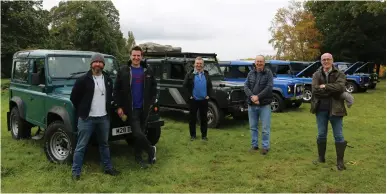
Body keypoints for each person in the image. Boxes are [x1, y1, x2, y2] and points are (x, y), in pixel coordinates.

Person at [70, 53, 120, 180]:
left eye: (100, 62)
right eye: (95, 62)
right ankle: (76, 172)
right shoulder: (82, 80)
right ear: (91, 64)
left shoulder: (108, 80)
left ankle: (108, 168)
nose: (98, 64)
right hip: (87, 119)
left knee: (104, 144)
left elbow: (110, 96)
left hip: (103, 118)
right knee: (81, 145)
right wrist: (83, 110)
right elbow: (74, 98)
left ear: (103, 64)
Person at [114, 46, 157, 169]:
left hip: (144, 108)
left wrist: (152, 101)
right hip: (131, 109)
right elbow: (116, 90)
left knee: (140, 134)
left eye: (138, 55)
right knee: (137, 133)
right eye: (134, 55)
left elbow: (154, 87)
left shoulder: (147, 70)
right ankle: (150, 150)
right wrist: (118, 106)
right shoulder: (123, 70)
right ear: (130, 56)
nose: (136, 58)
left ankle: (138, 158)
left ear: (141, 56)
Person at [311, 53, 348, 170]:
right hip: (320, 109)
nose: (326, 61)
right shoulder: (316, 74)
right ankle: (321, 158)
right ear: (321, 61)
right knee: (321, 134)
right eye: (323, 60)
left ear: (332, 60)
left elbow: (341, 88)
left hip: (336, 109)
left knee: (339, 135)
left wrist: (325, 87)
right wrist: (332, 89)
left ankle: (340, 162)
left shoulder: (340, 74)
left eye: (328, 59)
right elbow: (315, 90)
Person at [244, 55, 273, 155]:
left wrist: (258, 97)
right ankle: (254, 145)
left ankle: (265, 147)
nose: (259, 63)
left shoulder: (268, 73)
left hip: (264, 105)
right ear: (255, 62)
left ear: (264, 63)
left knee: (265, 128)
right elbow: (246, 86)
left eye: (261, 61)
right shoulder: (250, 73)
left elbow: (269, 87)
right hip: (252, 105)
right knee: (253, 127)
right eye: (257, 61)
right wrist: (252, 97)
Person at [183, 56, 214, 141]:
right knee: (192, 119)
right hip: (194, 100)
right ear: (194, 64)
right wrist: (190, 96)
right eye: (197, 63)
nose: (199, 65)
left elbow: (210, 87)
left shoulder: (206, 74)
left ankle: (204, 136)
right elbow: (184, 86)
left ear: (203, 65)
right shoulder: (190, 74)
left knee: (204, 119)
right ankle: (193, 135)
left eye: (200, 64)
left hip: (204, 100)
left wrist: (209, 95)